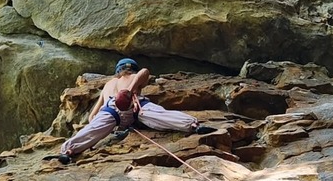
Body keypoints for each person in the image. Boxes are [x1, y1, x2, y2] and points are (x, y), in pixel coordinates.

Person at [47, 58, 216, 164]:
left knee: (92, 130)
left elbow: (92, 116)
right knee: (158, 115)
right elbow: (145, 72)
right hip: (132, 106)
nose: (127, 71)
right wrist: (131, 90)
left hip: (116, 109)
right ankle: (193, 125)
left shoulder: (109, 84)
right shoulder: (128, 79)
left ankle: (68, 151)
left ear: (117, 71)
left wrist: (108, 126)